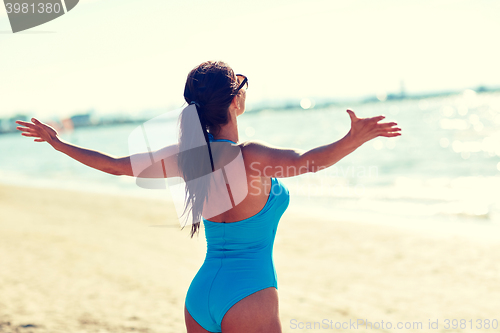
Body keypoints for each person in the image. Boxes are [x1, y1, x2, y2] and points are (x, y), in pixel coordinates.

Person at [15, 60, 401, 333]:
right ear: (235, 101)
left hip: (201, 298)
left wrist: (60, 144)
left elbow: (116, 165)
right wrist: (354, 138)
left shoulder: (188, 159)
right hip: (249, 293)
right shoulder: (250, 156)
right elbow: (308, 162)